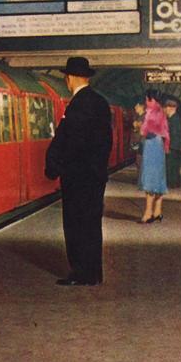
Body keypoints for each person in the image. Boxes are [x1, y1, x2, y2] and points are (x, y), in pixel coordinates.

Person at [45, 57, 112, 286]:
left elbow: (73, 142)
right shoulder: (100, 102)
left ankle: (82, 273)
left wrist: (58, 166)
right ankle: (93, 273)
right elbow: (104, 142)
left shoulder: (80, 103)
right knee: (91, 225)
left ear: (70, 78)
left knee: (76, 224)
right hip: (94, 176)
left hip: (79, 177)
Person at [137, 91, 169, 223]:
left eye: (147, 100)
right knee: (159, 178)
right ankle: (158, 211)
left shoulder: (151, 113)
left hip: (151, 146)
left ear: (152, 100)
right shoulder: (161, 112)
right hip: (159, 145)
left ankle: (148, 213)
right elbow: (164, 131)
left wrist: (139, 124)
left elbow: (145, 131)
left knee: (150, 178)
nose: (146, 102)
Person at [164, 97, 181, 189]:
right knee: (174, 166)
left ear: (172, 108)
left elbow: (173, 134)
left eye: (167, 107)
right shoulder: (174, 118)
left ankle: (172, 183)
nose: (165, 109)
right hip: (175, 146)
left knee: (171, 166)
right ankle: (175, 183)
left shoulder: (174, 119)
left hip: (173, 146)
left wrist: (168, 145)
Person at [130, 102, 145, 174]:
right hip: (138, 141)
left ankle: (142, 179)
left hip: (142, 141)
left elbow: (143, 130)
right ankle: (140, 178)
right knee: (138, 161)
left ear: (141, 107)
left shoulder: (144, 116)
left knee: (140, 161)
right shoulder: (139, 116)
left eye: (137, 107)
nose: (135, 108)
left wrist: (137, 126)